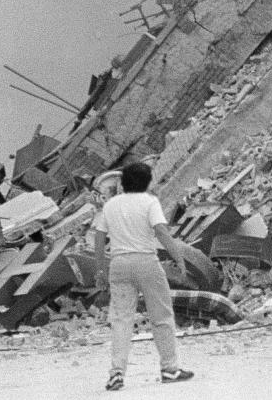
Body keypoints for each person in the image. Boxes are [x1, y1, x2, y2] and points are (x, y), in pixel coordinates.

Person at [93, 162, 194, 391]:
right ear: (147, 182)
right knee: (161, 315)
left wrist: (100, 270)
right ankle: (170, 369)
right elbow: (161, 231)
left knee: (121, 319)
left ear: (123, 182)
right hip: (147, 262)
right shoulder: (150, 202)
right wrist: (179, 258)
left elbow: (99, 239)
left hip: (119, 264)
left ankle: (116, 373)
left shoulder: (110, 206)